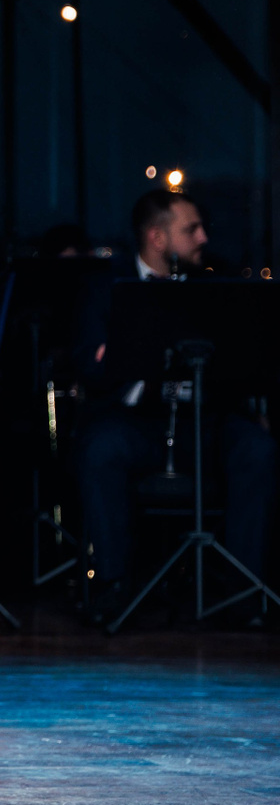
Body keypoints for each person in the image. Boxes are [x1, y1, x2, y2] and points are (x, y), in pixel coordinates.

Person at [74, 189, 274, 625]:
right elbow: (87, 365)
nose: (203, 238)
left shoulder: (216, 284)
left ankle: (245, 593)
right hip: (136, 422)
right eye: (191, 229)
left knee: (256, 448)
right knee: (100, 448)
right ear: (157, 238)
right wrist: (124, 356)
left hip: (203, 420)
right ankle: (113, 585)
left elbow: (246, 361)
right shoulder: (107, 287)